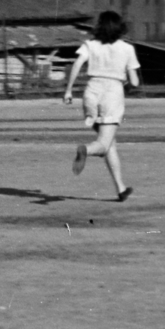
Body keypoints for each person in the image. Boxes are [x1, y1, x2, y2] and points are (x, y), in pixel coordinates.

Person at [63, 10, 138, 202]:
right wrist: (127, 82)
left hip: (91, 92)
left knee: (109, 143)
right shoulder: (127, 48)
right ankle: (85, 150)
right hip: (112, 94)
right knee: (104, 144)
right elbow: (135, 82)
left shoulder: (90, 44)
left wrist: (69, 90)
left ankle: (121, 189)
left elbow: (77, 64)